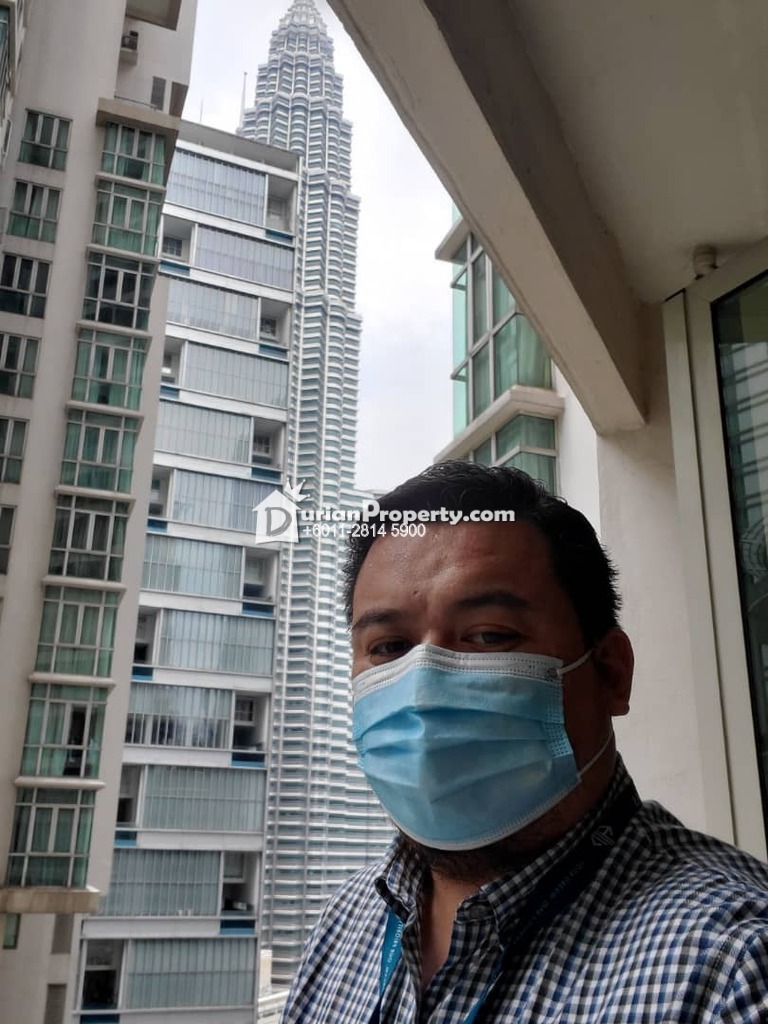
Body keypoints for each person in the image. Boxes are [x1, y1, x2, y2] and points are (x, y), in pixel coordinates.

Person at [281, 461, 768, 1023]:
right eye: (389, 647)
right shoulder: (345, 925)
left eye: (490, 635)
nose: (422, 688)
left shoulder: (734, 969)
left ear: (611, 672)